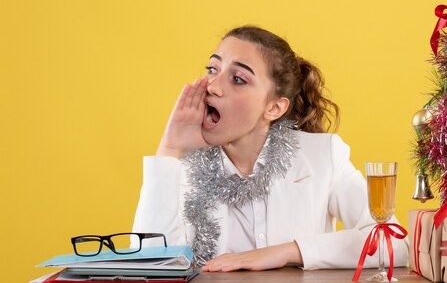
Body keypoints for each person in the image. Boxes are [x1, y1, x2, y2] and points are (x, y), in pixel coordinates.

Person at [132, 25, 408, 272]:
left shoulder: (323, 156)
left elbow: (393, 242)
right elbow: (149, 264)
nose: (212, 86)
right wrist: (169, 148)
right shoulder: (180, 164)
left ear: (274, 107)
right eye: (213, 69)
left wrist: (284, 253)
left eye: (238, 78)